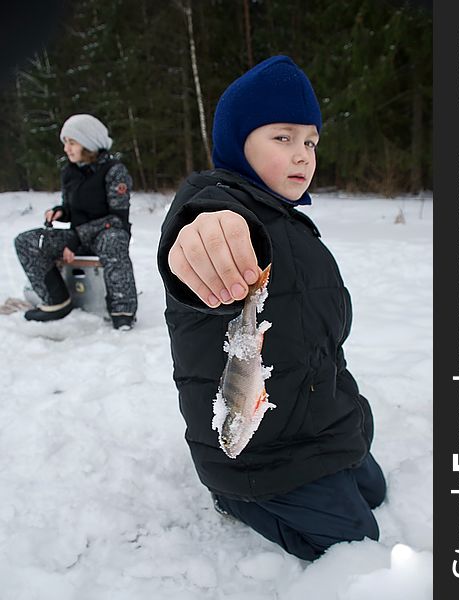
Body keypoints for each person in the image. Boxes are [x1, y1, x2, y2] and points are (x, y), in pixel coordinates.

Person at [157, 56, 386, 561]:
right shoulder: (219, 203)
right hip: (263, 450)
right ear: (238, 143)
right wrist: (205, 236)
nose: (303, 155)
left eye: (310, 141)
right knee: (357, 544)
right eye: (282, 138)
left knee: (376, 491)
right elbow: (207, 232)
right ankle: (234, 496)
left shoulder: (291, 221)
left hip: (315, 420)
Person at [15, 113, 138, 330]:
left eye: (72, 142)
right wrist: (60, 212)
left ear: (88, 142)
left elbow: (118, 218)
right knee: (27, 241)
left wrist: (78, 238)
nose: (66, 148)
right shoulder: (69, 172)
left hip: (107, 232)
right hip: (77, 235)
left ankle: (123, 310)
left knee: (114, 240)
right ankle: (56, 301)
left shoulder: (114, 171)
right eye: (65, 143)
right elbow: (71, 208)